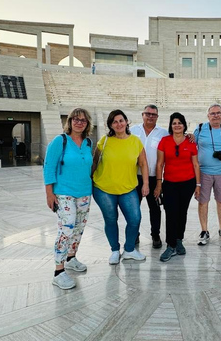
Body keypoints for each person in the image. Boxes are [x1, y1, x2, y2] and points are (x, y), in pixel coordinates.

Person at [43, 107, 94, 290]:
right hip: (64, 192)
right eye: (75, 119)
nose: (79, 122)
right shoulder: (60, 141)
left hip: (84, 192)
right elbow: (49, 166)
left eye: (83, 120)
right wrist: (49, 193)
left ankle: (71, 258)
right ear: (70, 121)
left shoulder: (88, 142)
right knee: (67, 228)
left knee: (78, 228)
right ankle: (58, 271)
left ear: (87, 123)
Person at [92, 109, 149, 264]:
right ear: (111, 125)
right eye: (114, 122)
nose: (118, 124)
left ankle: (129, 249)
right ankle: (115, 250)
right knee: (110, 219)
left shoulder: (135, 141)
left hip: (128, 188)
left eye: (121, 120)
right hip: (103, 188)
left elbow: (143, 164)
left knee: (135, 219)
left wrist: (145, 184)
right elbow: (95, 162)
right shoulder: (104, 141)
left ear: (126, 121)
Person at [154, 112, 201, 262]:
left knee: (182, 212)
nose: (177, 125)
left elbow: (195, 164)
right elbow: (160, 164)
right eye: (174, 123)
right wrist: (159, 184)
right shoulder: (164, 141)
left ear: (184, 125)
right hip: (170, 184)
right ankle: (171, 245)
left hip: (188, 183)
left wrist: (198, 185)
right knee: (171, 213)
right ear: (171, 125)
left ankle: (179, 239)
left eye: (180, 123)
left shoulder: (191, 141)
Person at [194, 103, 221, 245]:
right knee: (203, 201)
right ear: (208, 116)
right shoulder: (200, 129)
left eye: (218, 113)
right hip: (204, 172)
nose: (216, 115)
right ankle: (204, 230)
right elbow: (191, 145)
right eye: (212, 113)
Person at [130, 104, 167, 249]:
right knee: (133, 208)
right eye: (148, 114)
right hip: (134, 177)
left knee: (155, 208)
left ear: (157, 117)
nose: (150, 116)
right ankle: (134, 234)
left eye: (154, 114)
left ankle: (155, 234)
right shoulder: (132, 131)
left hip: (154, 177)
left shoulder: (163, 133)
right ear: (142, 115)